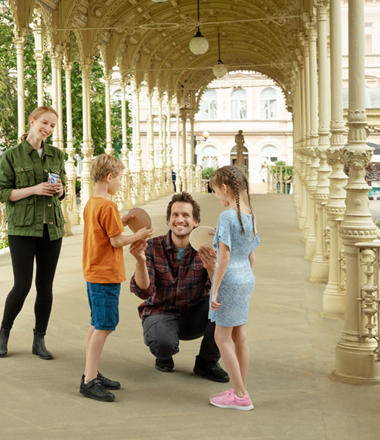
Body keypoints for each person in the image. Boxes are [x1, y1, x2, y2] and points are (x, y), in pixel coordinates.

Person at [128, 192, 229, 383]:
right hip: (161, 312)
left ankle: (206, 362)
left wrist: (211, 269)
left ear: (196, 221)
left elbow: (220, 291)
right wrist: (140, 262)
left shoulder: (206, 249)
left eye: (186, 215)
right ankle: (164, 354)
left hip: (195, 314)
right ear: (168, 221)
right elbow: (143, 292)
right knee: (163, 344)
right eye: (175, 215)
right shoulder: (151, 247)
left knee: (225, 301)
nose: (180, 219)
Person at [0, 105, 66, 360]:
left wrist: (60, 191)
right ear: (32, 122)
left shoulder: (57, 155)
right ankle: (4, 333)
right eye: (44, 123)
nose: (48, 129)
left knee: (45, 287)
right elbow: (3, 193)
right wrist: (34, 189)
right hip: (23, 229)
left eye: (53, 126)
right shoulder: (12, 156)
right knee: (22, 286)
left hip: (52, 229)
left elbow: (64, 188)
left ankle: (39, 339)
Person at [80, 155, 151, 402]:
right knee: (105, 325)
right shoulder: (108, 206)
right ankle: (89, 380)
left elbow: (103, 230)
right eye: (119, 178)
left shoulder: (92, 203)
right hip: (106, 275)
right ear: (109, 177)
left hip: (93, 272)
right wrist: (139, 234)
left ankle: (91, 371)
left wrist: (121, 221)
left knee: (96, 322)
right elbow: (115, 240)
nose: (120, 183)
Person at [207, 165, 260, 411]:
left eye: (215, 191)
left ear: (225, 189)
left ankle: (239, 395)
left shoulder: (226, 216)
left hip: (229, 280)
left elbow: (224, 259)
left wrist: (215, 289)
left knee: (222, 338)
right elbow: (250, 255)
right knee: (240, 337)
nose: (216, 196)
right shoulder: (249, 215)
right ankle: (241, 387)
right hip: (246, 278)